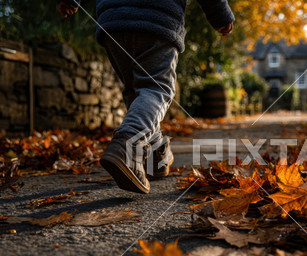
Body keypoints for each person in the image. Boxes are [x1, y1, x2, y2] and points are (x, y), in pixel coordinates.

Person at [58, 0, 234, 194]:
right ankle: (129, 143)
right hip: (158, 19)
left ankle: (155, 157)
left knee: (136, 90)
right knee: (157, 88)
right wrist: (221, 16)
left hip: (113, 21)